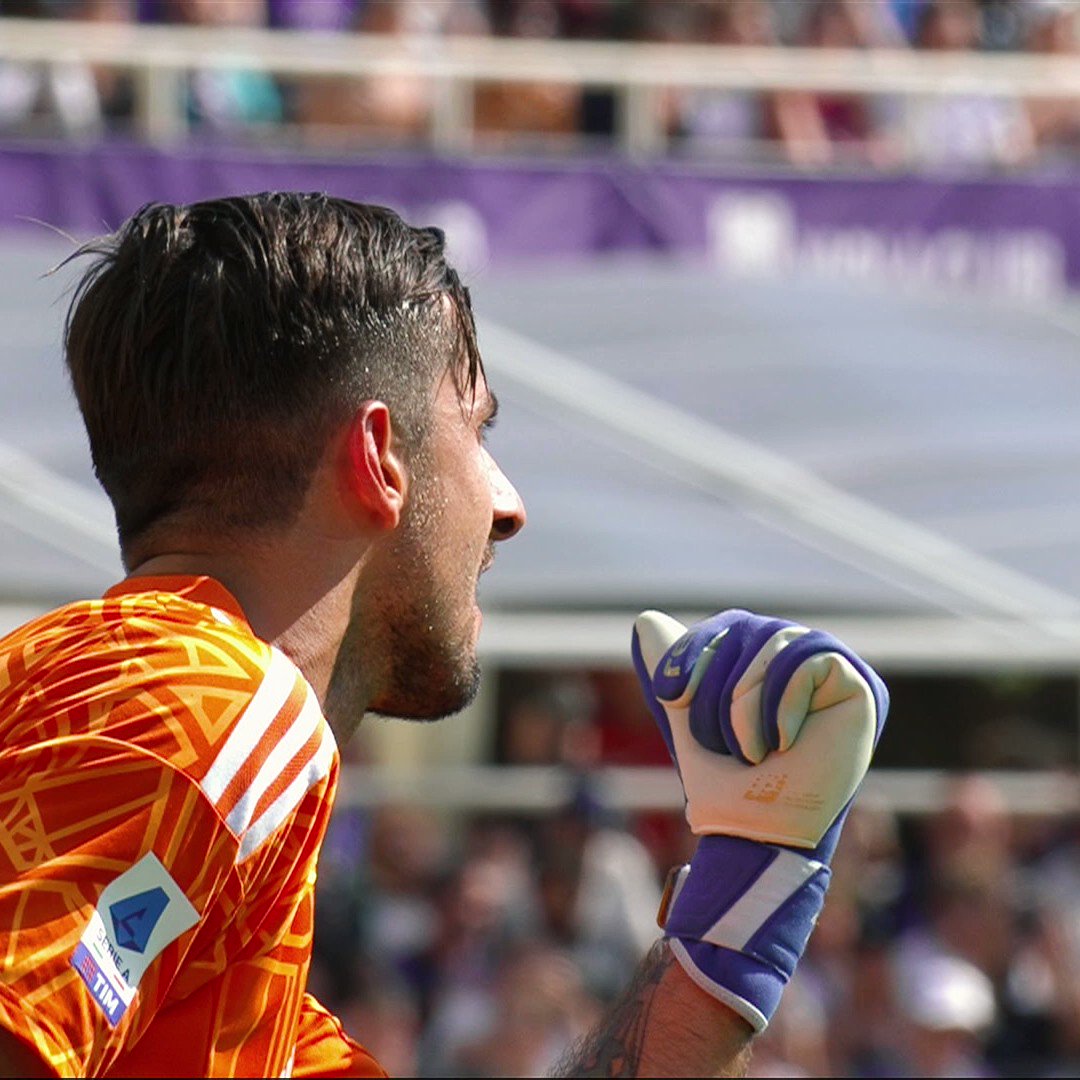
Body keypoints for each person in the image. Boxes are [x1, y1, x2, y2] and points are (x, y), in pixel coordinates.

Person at [0, 192, 888, 1077]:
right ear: (379, 459)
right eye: (476, 427)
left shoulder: (161, 742)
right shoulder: (213, 699)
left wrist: (739, 915)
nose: (509, 506)